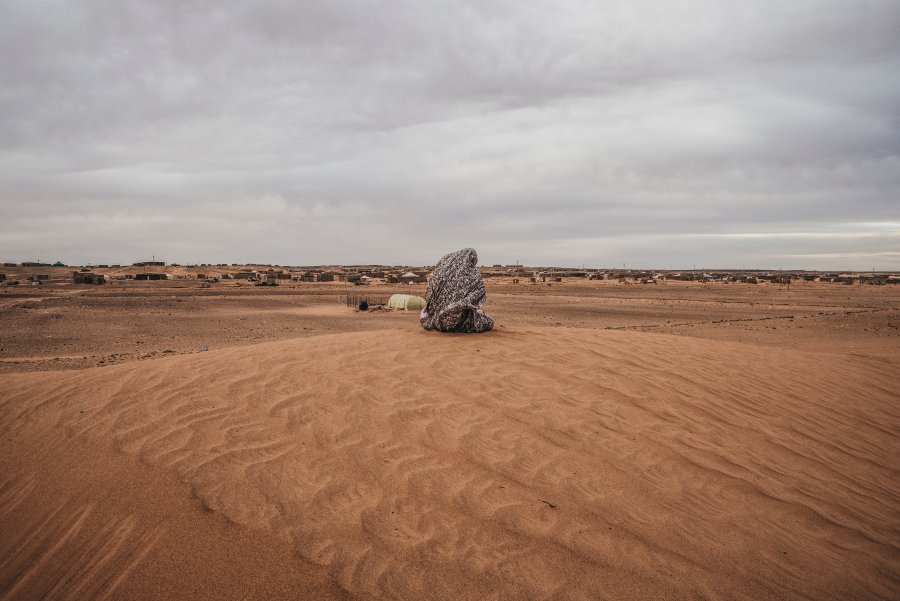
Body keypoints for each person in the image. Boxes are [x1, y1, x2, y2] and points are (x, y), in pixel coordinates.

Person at [420, 248, 494, 333]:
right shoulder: (472, 276)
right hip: (458, 322)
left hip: (438, 319)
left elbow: (431, 291)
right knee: (489, 322)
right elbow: (479, 292)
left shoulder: (443, 272)